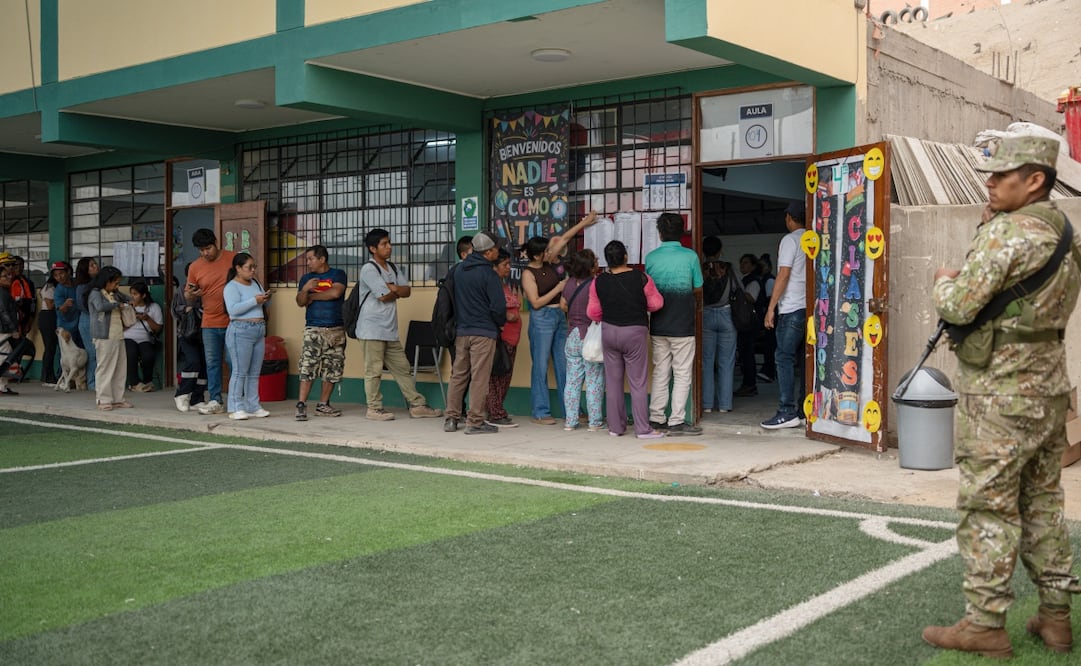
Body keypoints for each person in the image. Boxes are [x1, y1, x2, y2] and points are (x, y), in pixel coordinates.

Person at [922, 136, 1081, 658]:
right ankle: (1056, 619)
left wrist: (943, 282)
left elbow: (962, 306)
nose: (988, 183)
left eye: (999, 175)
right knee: (1043, 503)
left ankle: (985, 623)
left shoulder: (1006, 234)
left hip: (998, 396)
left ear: (1035, 179)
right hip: (1049, 390)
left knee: (988, 508)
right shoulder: (1063, 232)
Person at [520, 210, 599, 425]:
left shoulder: (548, 263)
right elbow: (535, 302)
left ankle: (571, 409)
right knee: (540, 365)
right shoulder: (528, 274)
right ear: (537, 255)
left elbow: (564, 238)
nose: (551, 252)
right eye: (546, 251)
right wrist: (559, 288)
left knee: (565, 365)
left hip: (558, 316)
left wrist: (585, 222)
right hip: (542, 318)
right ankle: (540, 411)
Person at [355, 229, 442, 422]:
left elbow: (407, 291)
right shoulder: (369, 269)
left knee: (402, 367)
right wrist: (395, 289)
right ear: (372, 248)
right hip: (371, 329)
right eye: (384, 244)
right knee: (374, 370)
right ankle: (374, 408)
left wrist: (393, 288)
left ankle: (417, 405)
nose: (389, 247)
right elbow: (384, 296)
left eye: (389, 243)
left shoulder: (392, 267)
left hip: (389, 329)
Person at [587, 240, 665, 440]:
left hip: (609, 332)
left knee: (613, 382)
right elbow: (656, 303)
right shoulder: (641, 278)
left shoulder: (598, 281)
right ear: (625, 257)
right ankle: (642, 429)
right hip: (634, 332)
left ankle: (616, 427)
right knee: (638, 382)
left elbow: (593, 312)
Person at [644, 212, 704, 435]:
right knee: (682, 373)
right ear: (682, 232)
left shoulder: (650, 258)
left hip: (658, 323)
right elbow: (698, 287)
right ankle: (676, 420)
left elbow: (648, 289)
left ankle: (656, 417)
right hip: (683, 324)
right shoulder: (691, 257)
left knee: (661, 371)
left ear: (660, 233)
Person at [443, 231, 507, 434]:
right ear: (488, 252)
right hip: (483, 332)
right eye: (496, 248)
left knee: (458, 375)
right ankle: (475, 421)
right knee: (480, 377)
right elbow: (498, 307)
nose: (498, 250)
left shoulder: (459, 270)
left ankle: (451, 418)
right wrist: (499, 323)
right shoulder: (489, 274)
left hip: (462, 331)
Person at [760, 201, 808, 430]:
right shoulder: (814, 239)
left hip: (792, 308)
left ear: (789, 218)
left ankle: (786, 411)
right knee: (804, 359)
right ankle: (803, 409)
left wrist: (771, 307)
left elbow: (784, 273)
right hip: (810, 308)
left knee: (783, 357)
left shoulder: (790, 240)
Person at [186, 228, 237, 415]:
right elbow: (187, 295)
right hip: (209, 322)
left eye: (207, 248)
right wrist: (191, 295)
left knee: (233, 362)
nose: (205, 253)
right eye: (201, 250)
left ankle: (236, 399)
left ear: (216, 243)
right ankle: (215, 400)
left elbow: (248, 281)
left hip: (233, 321)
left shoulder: (233, 259)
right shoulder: (195, 267)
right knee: (212, 363)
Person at [294, 244, 348, 421]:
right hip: (314, 328)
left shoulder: (337, 274)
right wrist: (305, 290)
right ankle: (301, 405)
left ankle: (323, 405)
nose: (308, 262)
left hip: (336, 329)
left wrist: (313, 296)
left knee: (332, 369)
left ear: (322, 259)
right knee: (308, 367)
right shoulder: (306, 279)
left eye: (310, 259)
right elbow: (300, 302)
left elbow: (335, 293)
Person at [222, 252, 271, 421]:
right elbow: (233, 310)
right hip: (241, 329)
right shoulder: (231, 287)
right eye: (249, 267)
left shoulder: (255, 283)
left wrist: (264, 298)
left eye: (253, 267)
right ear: (238, 269)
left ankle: (253, 405)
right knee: (240, 371)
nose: (252, 271)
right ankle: (235, 406)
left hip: (258, 329)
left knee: (254, 371)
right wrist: (255, 301)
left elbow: (259, 301)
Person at [560, 248, 604, 431]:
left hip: (572, 335)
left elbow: (563, 305)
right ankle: (594, 422)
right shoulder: (595, 284)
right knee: (594, 379)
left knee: (572, 380)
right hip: (590, 337)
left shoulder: (568, 283)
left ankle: (570, 421)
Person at [484, 248, 522, 428]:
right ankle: (495, 413)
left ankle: (495, 409)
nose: (508, 268)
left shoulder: (504, 284)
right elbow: (489, 308)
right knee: (496, 378)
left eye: (509, 264)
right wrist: (506, 316)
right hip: (501, 338)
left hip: (512, 339)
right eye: (504, 264)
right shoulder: (491, 285)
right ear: (494, 267)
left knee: (505, 377)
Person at [86, 265, 132, 410]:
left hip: (118, 334)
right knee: (105, 367)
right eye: (115, 282)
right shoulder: (95, 293)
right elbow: (100, 307)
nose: (117, 286)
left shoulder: (114, 292)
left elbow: (127, 298)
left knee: (120, 367)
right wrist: (118, 305)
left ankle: (118, 398)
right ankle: (103, 399)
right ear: (106, 280)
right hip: (103, 336)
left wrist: (128, 300)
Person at [700, 240, 737, 415]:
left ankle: (706, 404)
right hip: (726, 315)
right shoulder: (728, 268)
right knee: (726, 362)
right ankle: (725, 405)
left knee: (706, 362)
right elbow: (738, 289)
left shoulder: (701, 268)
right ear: (720, 250)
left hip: (706, 315)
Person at [172, 262, 207, 412]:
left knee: (205, 365)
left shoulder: (207, 288)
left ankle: (197, 398)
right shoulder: (181, 290)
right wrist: (189, 306)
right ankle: (182, 394)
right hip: (187, 333)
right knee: (193, 362)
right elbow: (174, 311)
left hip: (205, 332)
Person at [734, 253, 765, 397]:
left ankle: (750, 384)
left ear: (753, 266)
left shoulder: (753, 281)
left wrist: (738, 291)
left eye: (746, 263)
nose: (742, 266)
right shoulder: (745, 279)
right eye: (741, 263)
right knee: (745, 353)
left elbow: (751, 297)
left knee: (747, 354)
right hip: (745, 322)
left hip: (749, 322)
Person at [123, 281, 163, 392]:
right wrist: (131, 317)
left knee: (148, 355)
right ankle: (134, 383)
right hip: (128, 336)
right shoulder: (127, 307)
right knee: (131, 354)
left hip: (145, 337)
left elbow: (158, 328)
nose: (132, 296)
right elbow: (121, 326)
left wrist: (147, 319)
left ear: (143, 295)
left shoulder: (154, 307)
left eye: (135, 294)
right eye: (131, 293)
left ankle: (147, 381)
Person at [36, 262, 64, 386]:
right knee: (50, 348)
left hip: (50, 317)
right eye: (57, 274)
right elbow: (50, 305)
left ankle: (48, 375)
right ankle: (47, 376)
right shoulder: (50, 287)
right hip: (47, 316)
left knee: (51, 348)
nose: (60, 277)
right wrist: (61, 302)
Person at [74, 257, 99, 388]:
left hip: (98, 321)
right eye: (91, 265)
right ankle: (91, 382)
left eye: (95, 264)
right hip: (87, 320)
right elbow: (82, 305)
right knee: (92, 353)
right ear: (85, 270)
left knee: (100, 352)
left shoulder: (98, 284)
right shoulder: (82, 287)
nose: (95, 266)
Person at [0, 263, 21, 396]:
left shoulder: (4, 292)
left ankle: (2, 386)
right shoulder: (1, 293)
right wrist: (13, 329)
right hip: (3, 330)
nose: (9, 278)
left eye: (9, 275)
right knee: (5, 356)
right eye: (4, 276)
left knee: (5, 355)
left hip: (4, 329)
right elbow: (3, 312)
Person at [54, 261, 79, 342]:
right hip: (65, 326)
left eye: (61, 273)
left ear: (68, 272)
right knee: (65, 352)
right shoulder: (59, 290)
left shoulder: (77, 283)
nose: (59, 277)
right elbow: (61, 308)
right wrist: (65, 305)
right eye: (56, 275)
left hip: (78, 323)